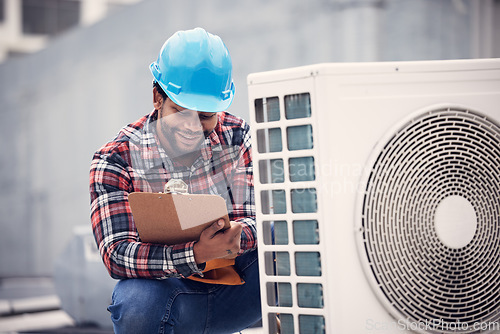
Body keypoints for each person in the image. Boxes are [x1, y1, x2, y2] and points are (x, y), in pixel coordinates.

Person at [89, 27, 261, 333]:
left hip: (238, 290)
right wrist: (196, 253)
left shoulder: (238, 137)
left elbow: (257, 217)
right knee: (135, 304)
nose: (193, 128)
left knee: (294, 253)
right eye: (181, 113)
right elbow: (117, 253)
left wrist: (236, 235)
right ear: (158, 97)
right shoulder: (116, 159)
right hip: (169, 297)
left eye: (206, 116)